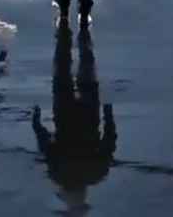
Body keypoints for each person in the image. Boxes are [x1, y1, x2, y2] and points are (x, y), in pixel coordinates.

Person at [32, 28, 117, 214]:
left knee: (86, 63)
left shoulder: (98, 173)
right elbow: (45, 144)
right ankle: (64, 29)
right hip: (64, 111)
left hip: (89, 112)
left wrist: (108, 112)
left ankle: (83, 29)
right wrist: (36, 123)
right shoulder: (58, 175)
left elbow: (110, 140)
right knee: (62, 64)